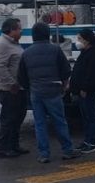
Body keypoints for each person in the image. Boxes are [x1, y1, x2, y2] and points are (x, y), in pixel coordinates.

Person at [18, 23, 81, 164]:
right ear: (48, 34)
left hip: (36, 91)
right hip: (53, 90)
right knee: (60, 121)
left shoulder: (26, 52)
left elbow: (21, 77)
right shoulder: (55, 50)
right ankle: (67, 150)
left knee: (40, 124)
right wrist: (64, 86)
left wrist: (31, 87)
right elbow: (65, 71)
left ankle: (44, 154)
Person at [0, 18, 28, 159]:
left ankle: (14, 145)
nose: (21, 31)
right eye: (19, 29)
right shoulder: (2, 45)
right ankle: (4, 148)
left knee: (18, 117)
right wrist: (11, 83)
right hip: (8, 90)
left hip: (19, 89)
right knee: (8, 119)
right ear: (12, 30)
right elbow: (0, 67)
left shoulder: (14, 44)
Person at [69, 28, 95, 154]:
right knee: (85, 117)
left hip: (88, 91)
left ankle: (91, 142)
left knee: (91, 116)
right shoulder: (86, 52)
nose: (77, 41)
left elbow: (92, 74)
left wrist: (85, 88)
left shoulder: (94, 54)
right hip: (82, 90)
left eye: (80, 39)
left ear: (87, 40)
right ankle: (86, 141)